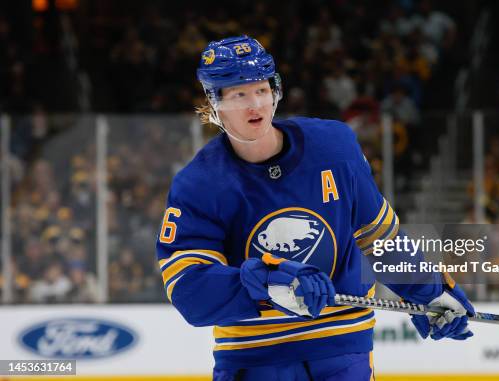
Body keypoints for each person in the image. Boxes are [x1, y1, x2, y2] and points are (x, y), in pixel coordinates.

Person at [156, 35, 474, 381]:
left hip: (341, 345)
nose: (255, 106)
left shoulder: (334, 147)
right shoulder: (198, 184)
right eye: (239, 94)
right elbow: (189, 290)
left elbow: (378, 238)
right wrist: (265, 282)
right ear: (213, 101)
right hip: (254, 356)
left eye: (262, 90)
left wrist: (428, 291)